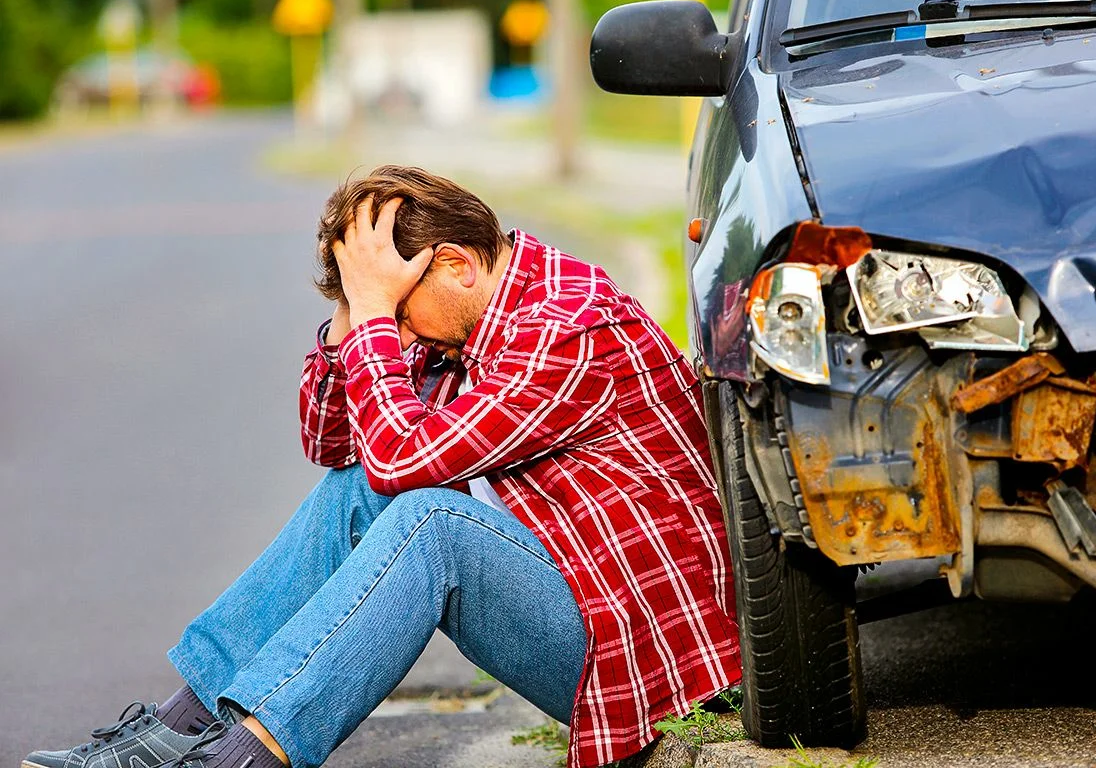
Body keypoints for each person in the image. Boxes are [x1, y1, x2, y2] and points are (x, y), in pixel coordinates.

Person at [22, 166, 740, 768]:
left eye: (398, 307)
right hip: (592, 617)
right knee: (358, 490)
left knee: (432, 524)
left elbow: (402, 458)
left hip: (661, 663)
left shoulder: (569, 326)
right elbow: (336, 443)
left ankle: (239, 759)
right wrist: (357, 313)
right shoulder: (463, 316)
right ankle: (175, 731)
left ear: (456, 265)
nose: (394, 335)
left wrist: (373, 316)